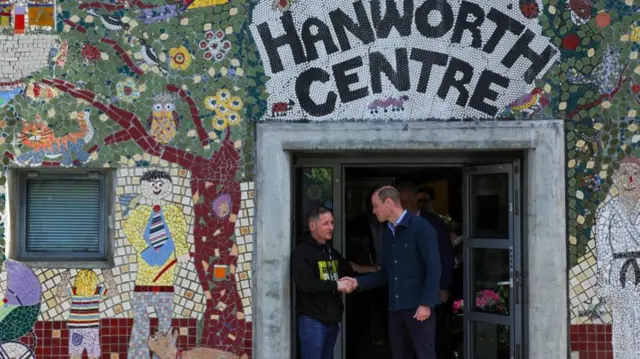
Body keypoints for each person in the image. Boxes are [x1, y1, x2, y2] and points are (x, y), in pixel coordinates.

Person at [343, 186, 442, 359]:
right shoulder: (388, 233)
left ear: (388, 202)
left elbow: (434, 268)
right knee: (399, 355)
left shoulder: (421, 227)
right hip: (395, 309)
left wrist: (426, 303)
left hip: (419, 308)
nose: (373, 211)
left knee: (424, 354)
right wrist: (357, 282)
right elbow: (386, 273)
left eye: (375, 206)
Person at [292, 206, 377, 359]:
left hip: (331, 322)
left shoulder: (330, 251)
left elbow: (349, 267)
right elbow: (307, 284)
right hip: (312, 321)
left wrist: (375, 270)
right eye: (326, 223)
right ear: (312, 226)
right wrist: (337, 285)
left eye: (332, 222)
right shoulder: (302, 252)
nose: (331, 227)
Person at [416, 185, 455, 359]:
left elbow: (445, 255)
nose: (421, 204)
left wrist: (444, 285)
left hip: (434, 288)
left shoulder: (437, 223)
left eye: (425, 200)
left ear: (432, 202)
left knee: (435, 333)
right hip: (416, 289)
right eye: (419, 201)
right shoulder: (410, 222)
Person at [56, 269, 118, 359]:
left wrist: (65, 279)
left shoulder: (75, 290)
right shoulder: (97, 290)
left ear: (78, 279)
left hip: (76, 328)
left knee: (75, 356)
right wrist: (108, 277)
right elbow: (113, 292)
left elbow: (60, 293)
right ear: (94, 279)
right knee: (93, 355)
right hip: (92, 328)